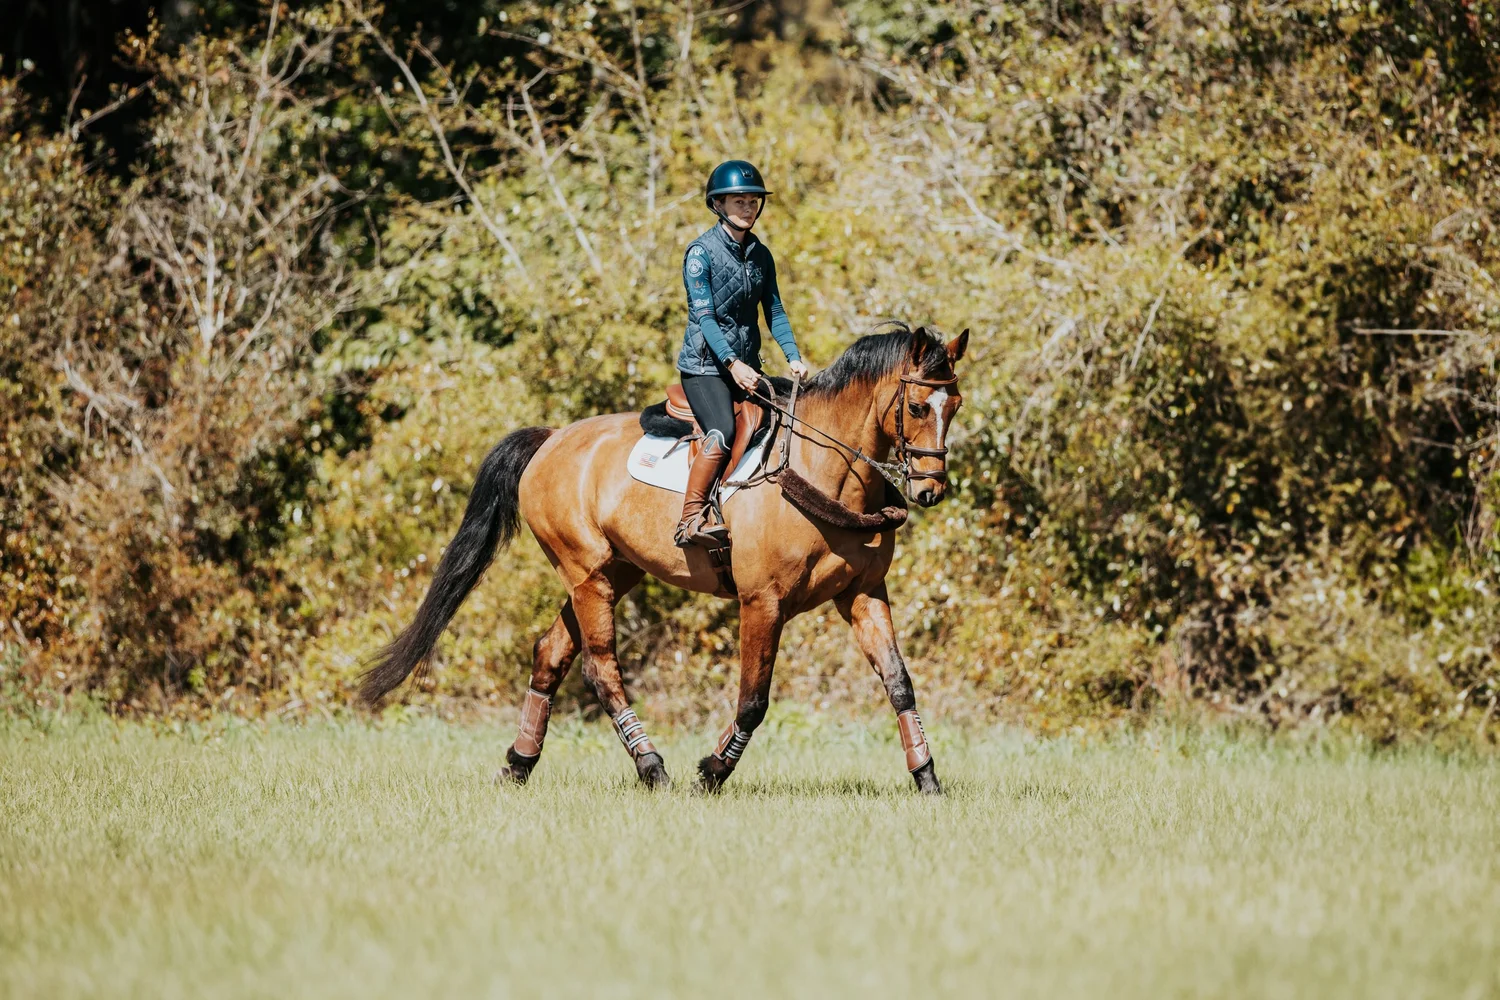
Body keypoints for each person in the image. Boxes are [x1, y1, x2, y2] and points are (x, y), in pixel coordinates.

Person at [674, 160, 810, 548]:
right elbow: (705, 318)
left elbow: (775, 311)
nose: (748, 208)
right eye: (739, 201)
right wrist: (732, 364)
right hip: (705, 368)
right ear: (717, 205)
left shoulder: (760, 254)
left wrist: (793, 355)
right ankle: (690, 519)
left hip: (747, 367)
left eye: (753, 201)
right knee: (723, 431)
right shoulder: (700, 254)